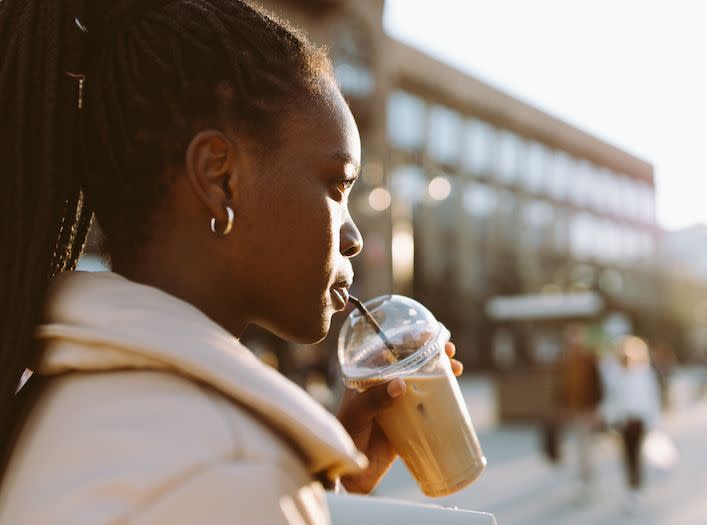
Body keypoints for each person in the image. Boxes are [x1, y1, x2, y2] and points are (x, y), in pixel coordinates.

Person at [0, 2, 463, 523]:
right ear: (219, 178)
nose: (352, 236)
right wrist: (273, 485)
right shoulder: (227, 468)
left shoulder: (48, 398)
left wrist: (327, 490)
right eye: (336, 186)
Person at [600, 336, 661, 513]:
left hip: (639, 422)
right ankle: (631, 488)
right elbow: (612, 400)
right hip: (623, 423)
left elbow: (652, 399)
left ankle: (636, 488)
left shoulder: (644, 374)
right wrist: (611, 420)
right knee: (627, 457)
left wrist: (653, 421)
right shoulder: (616, 375)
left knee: (636, 456)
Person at [553, 323, 603, 501]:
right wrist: (560, 406)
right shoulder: (564, 358)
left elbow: (597, 384)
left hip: (585, 409)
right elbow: (560, 385)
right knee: (574, 445)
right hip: (571, 409)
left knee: (584, 445)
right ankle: (582, 476)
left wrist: (594, 408)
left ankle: (586, 479)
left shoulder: (589, 358)